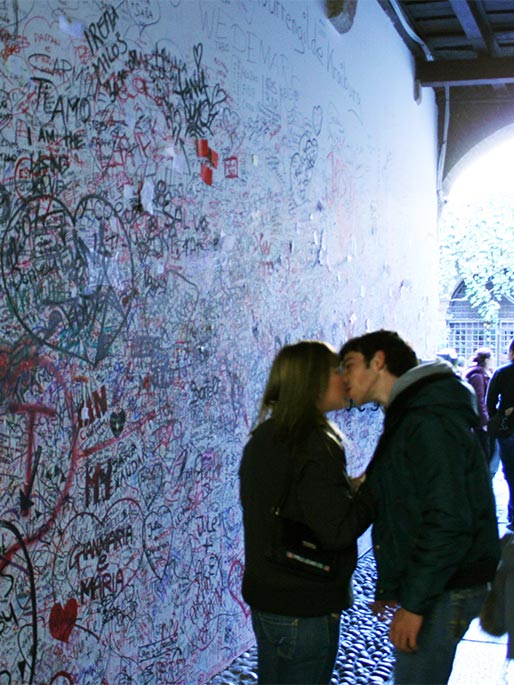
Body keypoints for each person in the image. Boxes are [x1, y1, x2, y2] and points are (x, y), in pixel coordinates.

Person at [339, 329, 500, 685]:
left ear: (378, 361)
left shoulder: (427, 417)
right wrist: (391, 586)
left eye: (349, 365)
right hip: (442, 581)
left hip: (447, 586)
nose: (342, 378)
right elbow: (404, 504)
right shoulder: (412, 411)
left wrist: (413, 604)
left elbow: (449, 519)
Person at [239, 341, 375, 685]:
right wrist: (374, 492)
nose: (345, 378)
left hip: (268, 595)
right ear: (311, 381)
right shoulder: (315, 441)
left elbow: (292, 503)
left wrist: (347, 488)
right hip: (303, 603)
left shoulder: (265, 435)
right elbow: (338, 530)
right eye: (336, 370)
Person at [486, 338, 514, 531]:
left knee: (511, 472)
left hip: (508, 429)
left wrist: (500, 414)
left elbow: (489, 402)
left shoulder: (502, 373)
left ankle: (513, 514)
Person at [465, 346, 496, 474]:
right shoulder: (478, 376)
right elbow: (480, 399)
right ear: (486, 360)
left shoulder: (481, 374)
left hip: (480, 423)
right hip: (480, 425)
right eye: (492, 357)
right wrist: (484, 422)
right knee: (485, 454)